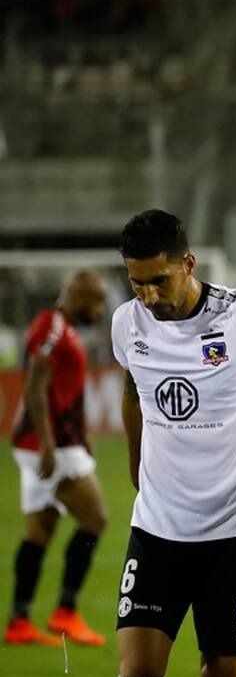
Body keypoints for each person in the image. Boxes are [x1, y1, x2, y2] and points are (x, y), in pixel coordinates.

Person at [112, 209, 236, 677]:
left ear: (188, 264)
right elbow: (133, 388)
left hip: (235, 528)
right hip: (157, 526)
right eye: (137, 282)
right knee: (137, 674)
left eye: (159, 280)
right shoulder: (127, 322)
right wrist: (136, 462)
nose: (148, 295)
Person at [6, 271, 109, 647]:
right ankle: (65, 612)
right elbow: (34, 384)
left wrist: (82, 437)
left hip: (52, 442)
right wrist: (49, 445)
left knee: (41, 530)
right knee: (95, 519)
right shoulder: (52, 326)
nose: (100, 310)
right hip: (49, 445)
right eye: (97, 302)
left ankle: (18, 620)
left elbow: (61, 391)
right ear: (79, 296)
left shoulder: (63, 328)